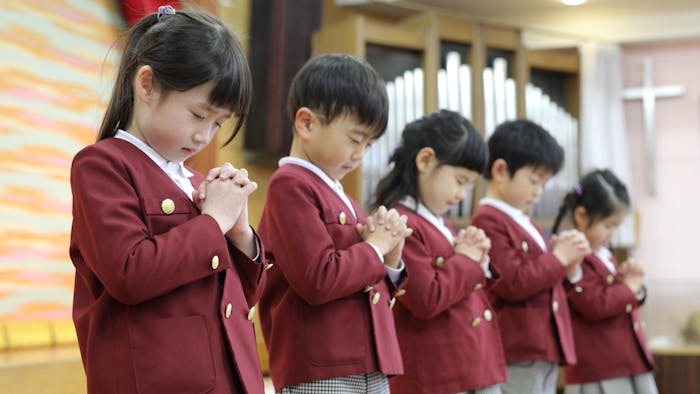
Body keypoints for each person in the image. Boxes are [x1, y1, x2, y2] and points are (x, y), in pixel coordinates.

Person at [69, 6, 266, 393]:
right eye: (198, 114)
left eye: (217, 123)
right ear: (146, 85)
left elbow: (240, 298)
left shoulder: (194, 179)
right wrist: (213, 223)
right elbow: (129, 274)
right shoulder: (102, 165)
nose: (204, 136)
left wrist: (239, 229)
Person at [257, 53, 412, 394]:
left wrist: (391, 257)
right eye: (355, 140)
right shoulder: (290, 184)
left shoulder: (340, 195)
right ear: (307, 124)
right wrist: (375, 248)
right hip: (321, 363)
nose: (361, 155)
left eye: (369, 144)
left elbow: (366, 281)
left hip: (367, 358)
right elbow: (319, 278)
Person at [372, 110, 507, 394]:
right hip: (438, 375)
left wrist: (477, 254)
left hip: (470, 364)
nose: (462, 195)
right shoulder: (401, 221)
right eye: (460, 180)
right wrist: (468, 259)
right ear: (425, 160)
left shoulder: (440, 221)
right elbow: (426, 298)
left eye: (468, 186)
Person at [470, 119, 591, 394]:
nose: (539, 191)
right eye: (534, 181)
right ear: (500, 170)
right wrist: (558, 258)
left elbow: (544, 278)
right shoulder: (488, 220)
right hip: (517, 348)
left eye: (544, 183)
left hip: (540, 346)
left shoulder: (524, 221)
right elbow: (511, 282)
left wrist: (570, 266)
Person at [552, 169, 657, 394]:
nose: (613, 233)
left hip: (623, 359)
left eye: (617, 226)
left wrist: (633, 283)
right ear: (581, 216)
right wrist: (629, 287)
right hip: (600, 366)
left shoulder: (604, 253)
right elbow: (594, 304)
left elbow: (619, 298)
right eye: (609, 225)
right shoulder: (576, 254)